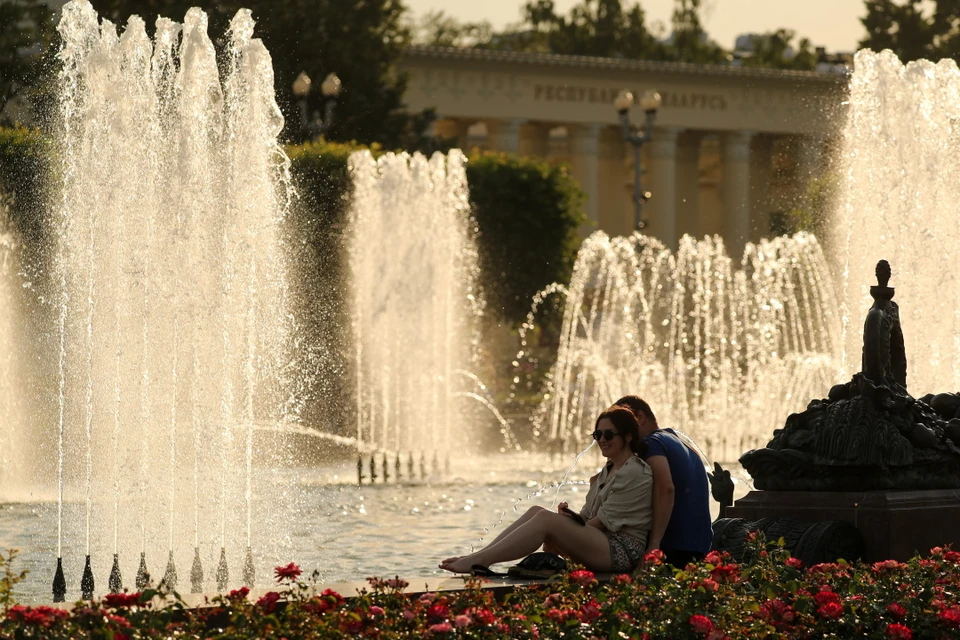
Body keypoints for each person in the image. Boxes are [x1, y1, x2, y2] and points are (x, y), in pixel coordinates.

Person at [439, 406, 653, 575]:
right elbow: (588, 517)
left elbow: (599, 523)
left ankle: (481, 560)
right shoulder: (608, 470)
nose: (602, 440)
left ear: (628, 436)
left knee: (545, 519)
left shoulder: (634, 471)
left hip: (623, 551)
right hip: (602, 544)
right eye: (598, 434)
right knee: (536, 511)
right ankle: (480, 555)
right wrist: (570, 520)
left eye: (609, 434)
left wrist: (564, 526)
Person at [615, 395, 713, 569]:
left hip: (672, 546)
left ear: (640, 417)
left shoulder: (651, 444)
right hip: (700, 546)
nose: (623, 435)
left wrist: (654, 543)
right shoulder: (678, 441)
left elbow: (666, 488)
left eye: (623, 426)